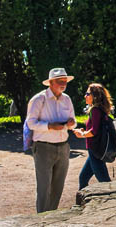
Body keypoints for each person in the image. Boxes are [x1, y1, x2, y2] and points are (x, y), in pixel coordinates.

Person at [25, 67, 77, 213]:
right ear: (51, 83)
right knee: (44, 187)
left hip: (63, 147)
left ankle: (52, 218)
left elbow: (74, 121)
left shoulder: (67, 99)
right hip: (43, 148)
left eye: (65, 81)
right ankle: (41, 220)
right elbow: (30, 123)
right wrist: (49, 126)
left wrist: (72, 123)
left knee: (58, 187)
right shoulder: (38, 99)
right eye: (60, 81)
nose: (64, 84)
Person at [72, 83, 114, 190]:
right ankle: (80, 204)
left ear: (94, 96)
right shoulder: (99, 110)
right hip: (95, 150)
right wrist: (84, 131)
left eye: (87, 94)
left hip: (95, 151)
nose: (84, 96)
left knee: (104, 181)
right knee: (83, 178)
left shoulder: (95, 110)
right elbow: (95, 129)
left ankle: (115, 201)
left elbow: (94, 132)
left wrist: (82, 134)